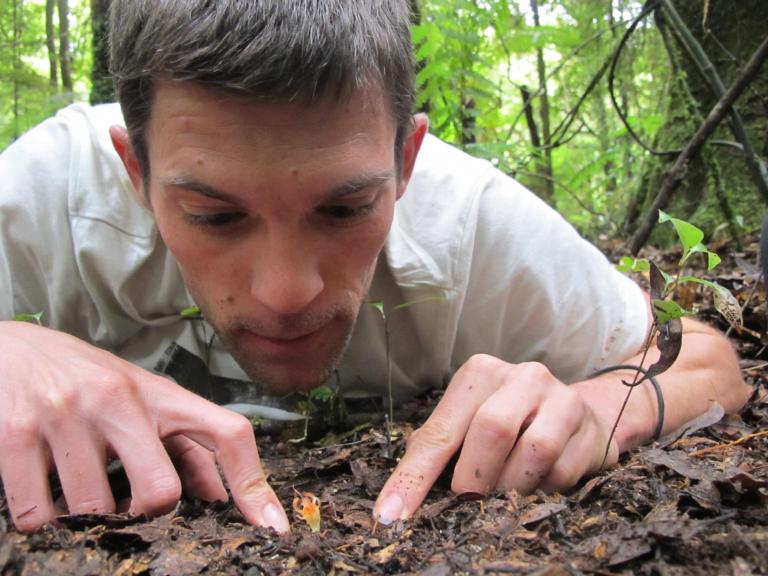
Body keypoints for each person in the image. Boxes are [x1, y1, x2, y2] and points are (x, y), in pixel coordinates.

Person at [0, 0, 749, 534]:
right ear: (135, 172)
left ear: (406, 161)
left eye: (344, 208)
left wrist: (600, 409)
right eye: (215, 216)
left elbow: (707, 362)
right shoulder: (48, 197)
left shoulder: (468, 221)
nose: (286, 293)